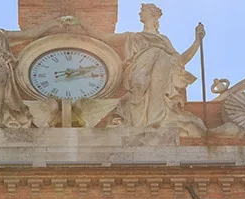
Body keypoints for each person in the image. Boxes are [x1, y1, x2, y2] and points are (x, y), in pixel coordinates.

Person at [68, 4, 206, 135]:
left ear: (152, 14)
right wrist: (81, 23)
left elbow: (180, 61)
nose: (140, 13)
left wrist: (197, 42)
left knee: (151, 91)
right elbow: (104, 37)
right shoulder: (133, 37)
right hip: (138, 71)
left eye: (143, 10)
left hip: (159, 72)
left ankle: (153, 123)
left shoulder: (163, 40)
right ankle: (138, 124)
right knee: (138, 86)